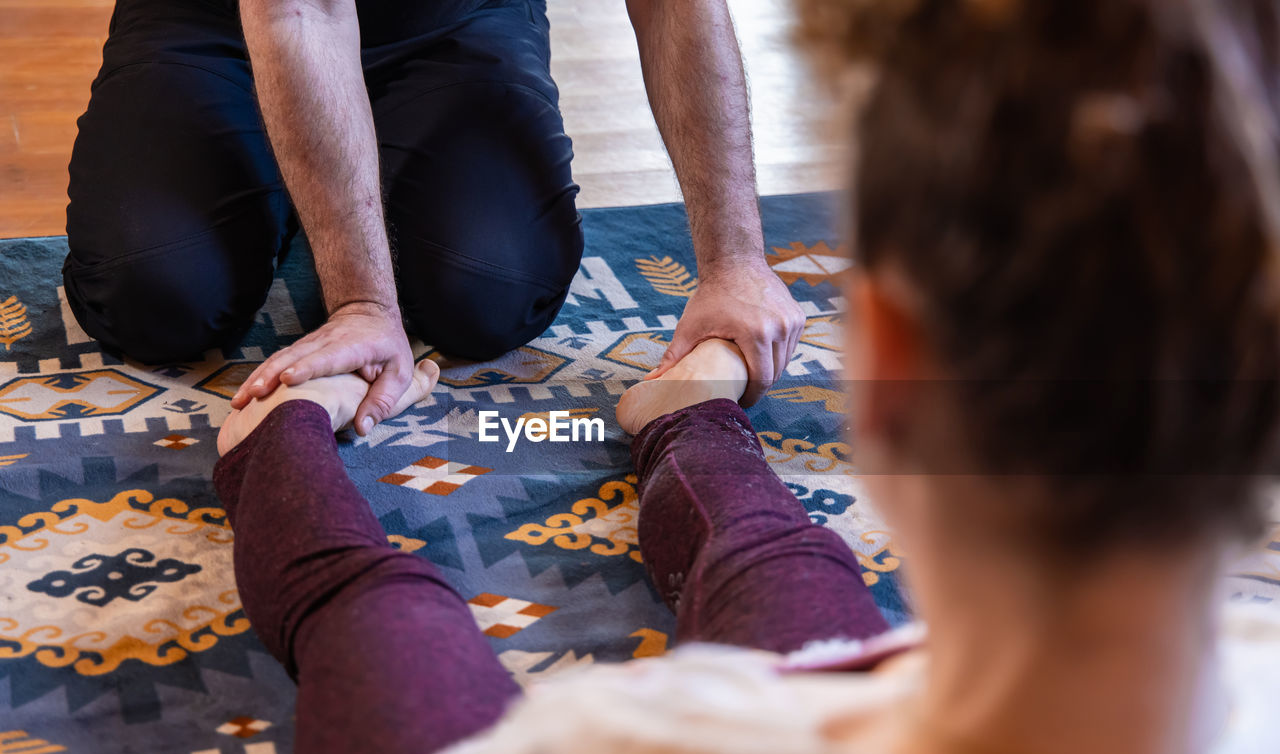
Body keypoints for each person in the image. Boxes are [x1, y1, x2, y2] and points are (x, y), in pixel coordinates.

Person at [213, 0, 1280, 754]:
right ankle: (689, 419)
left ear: (884, 368)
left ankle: (281, 447)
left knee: (366, 602)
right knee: (789, 589)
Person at [63, 0, 806, 436]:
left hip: (456, 17)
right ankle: (303, 172)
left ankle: (332, 165)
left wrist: (735, 263)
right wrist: (362, 303)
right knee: (155, 293)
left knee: (487, 293)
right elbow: (299, 9)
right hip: (216, 22)